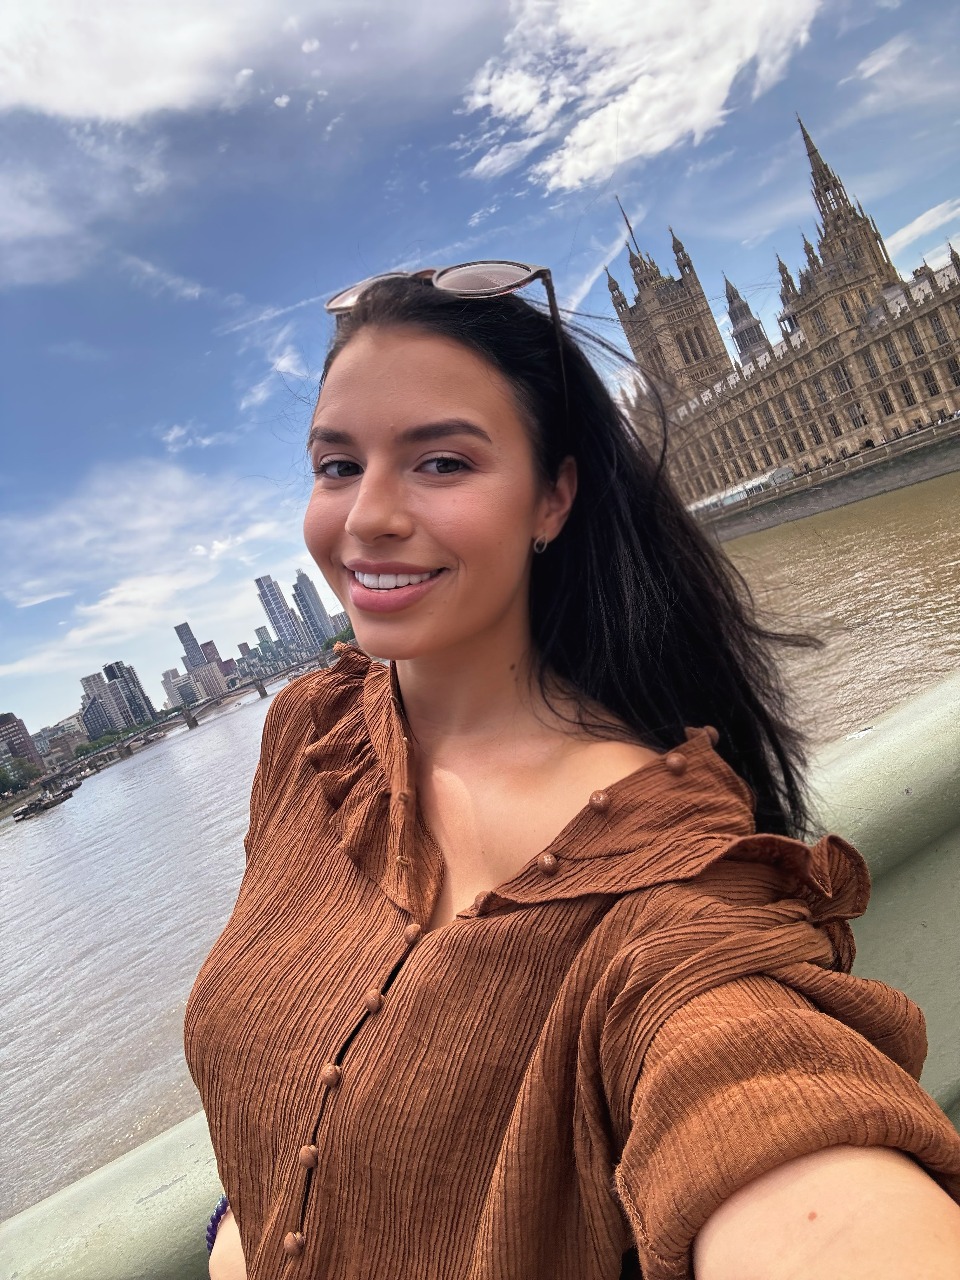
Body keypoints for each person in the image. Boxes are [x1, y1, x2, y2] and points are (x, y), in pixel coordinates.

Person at [185, 262, 960, 1280]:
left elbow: (760, 1098)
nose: (367, 514)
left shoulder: (672, 894)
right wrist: (240, 1226)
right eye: (337, 465)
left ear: (553, 496)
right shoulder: (309, 736)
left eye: (441, 462)